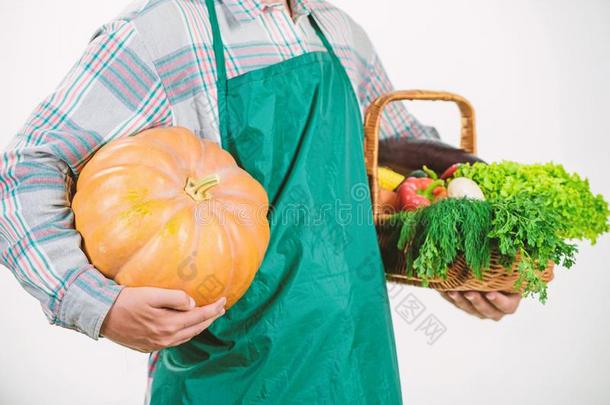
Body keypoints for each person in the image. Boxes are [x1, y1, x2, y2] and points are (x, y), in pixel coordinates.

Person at [0, 0, 520, 403]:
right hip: (232, 374)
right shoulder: (160, 34)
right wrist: (95, 303)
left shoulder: (340, 34)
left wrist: (467, 265)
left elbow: (392, 167)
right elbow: (25, 169)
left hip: (360, 363)